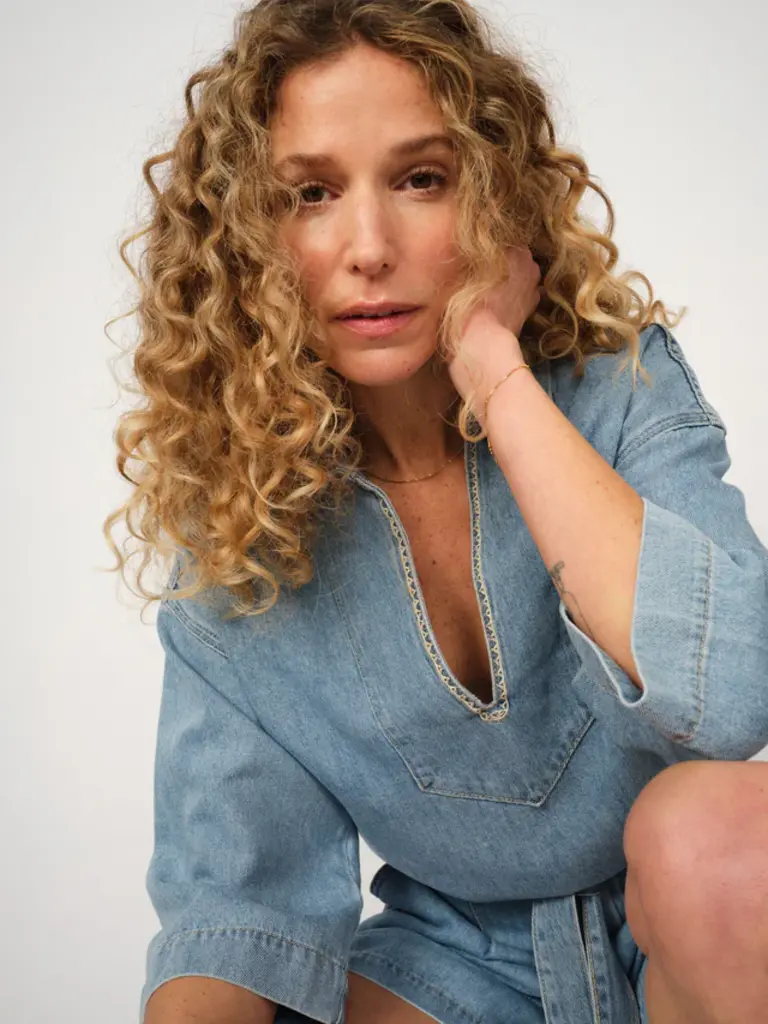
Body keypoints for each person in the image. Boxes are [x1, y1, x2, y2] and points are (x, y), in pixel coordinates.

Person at [103, 2, 768, 1022]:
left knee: (721, 843)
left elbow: (731, 698)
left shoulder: (617, 386)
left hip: (686, 926)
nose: (369, 247)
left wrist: (494, 368)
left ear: (493, 193)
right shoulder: (240, 525)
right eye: (311, 193)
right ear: (244, 239)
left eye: (421, 179)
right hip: (454, 963)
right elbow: (237, 910)